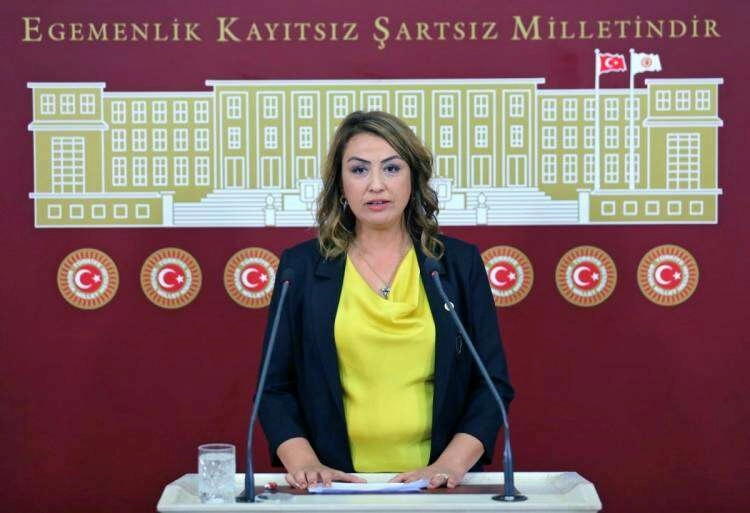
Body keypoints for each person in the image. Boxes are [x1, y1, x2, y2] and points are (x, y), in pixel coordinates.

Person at [257, 110, 514, 491]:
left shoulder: (458, 265)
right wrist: (306, 464)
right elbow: (274, 387)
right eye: (359, 170)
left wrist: (448, 466)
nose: (376, 185)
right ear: (340, 183)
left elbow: (491, 385)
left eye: (391, 169)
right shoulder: (302, 267)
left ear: (414, 178)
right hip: (334, 485)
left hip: (438, 486)